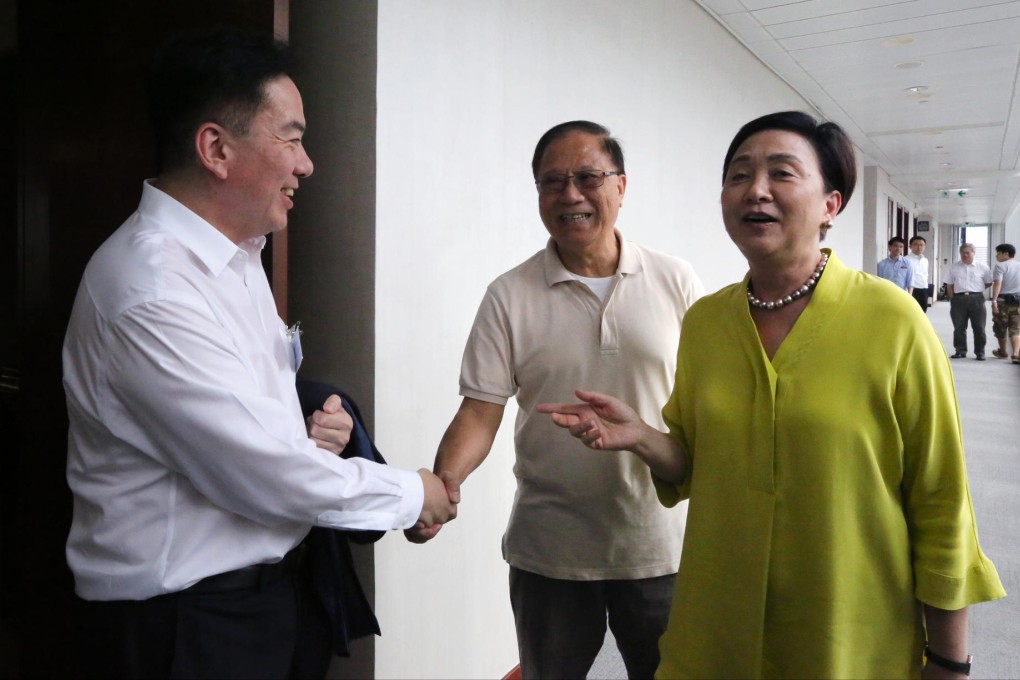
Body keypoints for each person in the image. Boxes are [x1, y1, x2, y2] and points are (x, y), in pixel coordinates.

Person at [539, 111, 1005, 679]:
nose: (755, 190)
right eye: (738, 175)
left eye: (782, 173)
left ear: (831, 205)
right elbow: (692, 461)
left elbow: (941, 497)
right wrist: (641, 437)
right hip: (717, 626)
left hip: (848, 631)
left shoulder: (892, 321)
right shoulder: (708, 321)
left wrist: (950, 659)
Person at [62, 28, 457, 679]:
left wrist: (308, 432)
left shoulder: (239, 258)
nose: (307, 164)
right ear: (216, 147)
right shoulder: (151, 289)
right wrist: (413, 495)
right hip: (184, 626)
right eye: (292, 138)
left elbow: (240, 429)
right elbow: (261, 472)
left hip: (264, 601)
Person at [406, 120, 704, 679]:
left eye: (588, 178)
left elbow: (705, 409)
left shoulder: (675, 280)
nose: (570, 195)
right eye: (551, 182)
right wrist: (444, 484)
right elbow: (480, 410)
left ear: (621, 186)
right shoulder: (509, 295)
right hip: (550, 551)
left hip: (661, 545)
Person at [944, 243, 993, 360]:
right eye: (963, 253)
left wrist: (976, 290)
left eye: (968, 253)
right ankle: (960, 350)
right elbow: (949, 284)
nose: (965, 255)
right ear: (960, 253)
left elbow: (989, 282)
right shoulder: (954, 267)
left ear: (973, 253)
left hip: (977, 299)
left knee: (979, 327)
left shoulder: (983, 267)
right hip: (958, 299)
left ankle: (980, 352)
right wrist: (952, 299)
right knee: (959, 327)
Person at [990, 243, 1020, 363]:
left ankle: (1002, 352)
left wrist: (994, 300)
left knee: (1000, 327)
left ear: (1006, 254)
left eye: (998, 253)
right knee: (1016, 329)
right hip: (1018, 302)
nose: (996, 256)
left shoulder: (1000, 266)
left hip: (1002, 302)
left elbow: (998, 283)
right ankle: (1016, 354)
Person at [907, 234, 932, 312]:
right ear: (910, 246)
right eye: (916, 245)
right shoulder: (906, 260)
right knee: (911, 313)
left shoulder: (925, 260)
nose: (919, 247)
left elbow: (925, 275)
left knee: (923, 313)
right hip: (912, 290)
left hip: (924, 290)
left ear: (925, 246)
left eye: (921, 245)